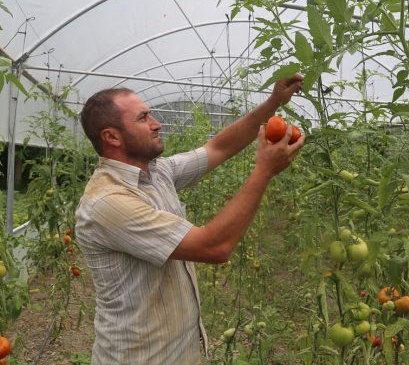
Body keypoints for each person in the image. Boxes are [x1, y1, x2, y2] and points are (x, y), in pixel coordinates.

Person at [75, 75, 305, 364]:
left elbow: (218, 148)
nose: (156, 123)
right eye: (143, 118)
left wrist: (273, 103)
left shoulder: (157, 172)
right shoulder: (108, 202)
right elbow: (214, 247)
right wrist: (264, 172)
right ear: (112, 137)